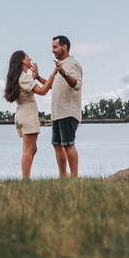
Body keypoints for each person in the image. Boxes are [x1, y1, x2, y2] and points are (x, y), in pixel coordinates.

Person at [3, 50, 56, 179]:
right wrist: (54, 73)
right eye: (27, 57)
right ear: (23, 60)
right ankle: (25, 179)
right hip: (28, 115)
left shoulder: (20, 77)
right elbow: (43, 91)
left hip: (21, 114)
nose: (30, 58)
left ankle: (26, 177)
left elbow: (26, 89)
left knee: (31, 149)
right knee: (28, 150)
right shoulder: (24, 77)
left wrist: (34, 76)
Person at [50, 35, 83, 177]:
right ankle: (63, 175)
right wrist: (38, 77)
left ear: (64, 47)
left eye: (55, 47)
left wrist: (63, 73)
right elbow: (54, 86)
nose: (52, 50)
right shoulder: (60, 66)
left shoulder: (73, 64)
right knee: (57, 144)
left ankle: (74, 176)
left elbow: (76, 84)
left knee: (68, 144)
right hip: (57, 112)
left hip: (68, 111)